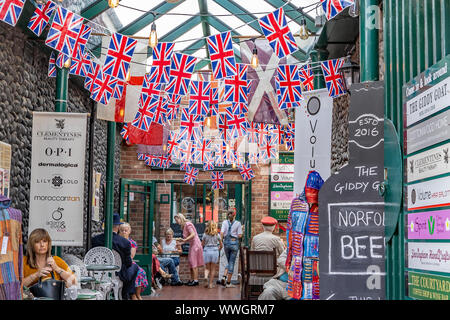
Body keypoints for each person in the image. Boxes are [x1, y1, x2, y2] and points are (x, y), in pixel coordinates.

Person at [91, 213, 139, 300]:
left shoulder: (95, 239)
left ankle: (127, 294)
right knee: (135, 267)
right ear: (118, 227)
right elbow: (128, 263)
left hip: (97, 272)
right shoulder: (125, 242)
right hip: (117, 274)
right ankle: (126, 294)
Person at [23, 228, 77, 295]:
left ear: (48, 244)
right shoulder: (24, 261)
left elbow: (74, 282)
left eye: (44, 241)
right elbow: (17, 286)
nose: (42, 245)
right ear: (31, 245)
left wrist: (57, 268)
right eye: (37, 242)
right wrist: (36, 275)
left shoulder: (56, 260)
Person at [118, 222, 149, 300]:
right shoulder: (116, 241)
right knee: (135, 272)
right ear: (119, 231)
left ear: (129, 231)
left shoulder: (132, 243)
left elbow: (131, 256)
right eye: (122, 230)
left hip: (128, 262)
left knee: (141, 272)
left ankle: (137, 294)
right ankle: (132, 295)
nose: (124, 232)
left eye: (126, 230)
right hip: (119, 263)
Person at [174, 213, 204, 286]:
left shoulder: (188, 224)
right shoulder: (184, 226)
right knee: (191, 263)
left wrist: (184, 240)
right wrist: (181, 243)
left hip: (195, 245)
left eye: (176, 220)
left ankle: (196, 281)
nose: (176, 222)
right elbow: (189, 238)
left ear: (180, 218)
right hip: (192, 244)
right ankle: (192, 279)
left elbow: (193, 234)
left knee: (194, 263)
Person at [220, 209, 242, 288]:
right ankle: (228, 282)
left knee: (229, 261)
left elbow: (221, 233)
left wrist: (221, 242)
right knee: (231, 262)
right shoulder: (238, 223)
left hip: (226, 243)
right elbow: (240, 235)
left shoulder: (224, 222)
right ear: (234, 215)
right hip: (234, 243)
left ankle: (224, 277)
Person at [202, 221, 223, 289]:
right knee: (213, 269)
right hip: (214, 251)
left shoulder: (205, 234)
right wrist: (218, 249)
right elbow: (221, 245)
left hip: (207, 251)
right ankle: (210, 284)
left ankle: (205, 277)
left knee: (207, 268)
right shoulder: (217, 235)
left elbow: (202, 244)